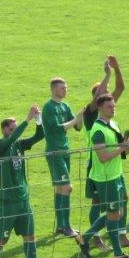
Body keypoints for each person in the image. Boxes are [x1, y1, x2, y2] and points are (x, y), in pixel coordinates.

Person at [0, 106, 54, 258]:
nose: (15, 133)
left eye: (15, 129)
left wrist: (38, 120)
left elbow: (39, 136)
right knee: (1, 240)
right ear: (4, 130)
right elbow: (13, 138)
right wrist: (26, 120)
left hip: (23, 201)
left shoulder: (19, 145)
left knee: (30, 237)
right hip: (7, 204)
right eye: (11, 129)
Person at [80, 56, 129, 250]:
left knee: (122, 200)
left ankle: (121, 236)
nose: (108, 94)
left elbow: (120, 89)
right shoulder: (89, 114)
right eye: (103, 92)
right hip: (98, 164)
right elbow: (101, 93)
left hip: (113, 163)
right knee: (98, 203)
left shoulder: (108, 113)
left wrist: (117, 68)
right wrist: (107, 74)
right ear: (96, 99)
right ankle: (94, 237)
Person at [79, 96, 129, 258]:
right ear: (100, 108)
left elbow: (122, 154)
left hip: (116, 175)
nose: (112, 109)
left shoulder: (114, 125)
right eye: (109, 107)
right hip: (105, 178)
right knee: (114, 214)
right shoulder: (98, 131)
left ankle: (84, 238)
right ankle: (118, 253)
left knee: (116, 212)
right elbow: (102, 157)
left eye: (113, 106)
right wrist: (123, 146)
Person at [42, 78, 84, 239]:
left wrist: (81, 117)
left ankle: (60, 226)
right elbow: (58, 128)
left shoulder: (65, 106)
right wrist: (75, 120)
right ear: (53, 89)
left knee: (60, 188)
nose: (65, 90)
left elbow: (78, 127)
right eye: (62, 88)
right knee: (67, 187)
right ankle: (66, 226)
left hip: (65, 151)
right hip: (55, 152)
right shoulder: (49, 107)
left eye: (66, 87)